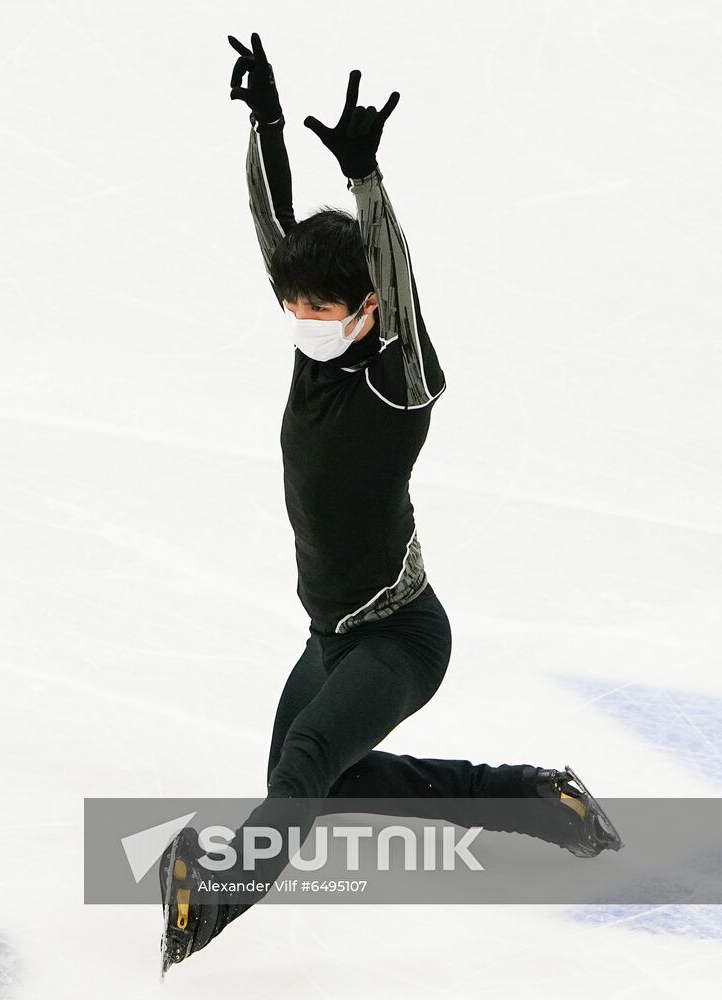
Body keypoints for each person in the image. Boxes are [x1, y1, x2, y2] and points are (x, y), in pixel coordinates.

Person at [159, 32, 622, 974]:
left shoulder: (396, 380)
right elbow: (274, 227)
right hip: (329, 637)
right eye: (292, 309)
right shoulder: (313, 346)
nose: (300, 322)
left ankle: (209, 901)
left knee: (300, 775)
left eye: (320, 311)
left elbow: (402, 286)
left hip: (400, 635)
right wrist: (267, 125)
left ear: (364, 310)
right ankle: (534, 800)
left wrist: (370, 184)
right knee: (313, 782)